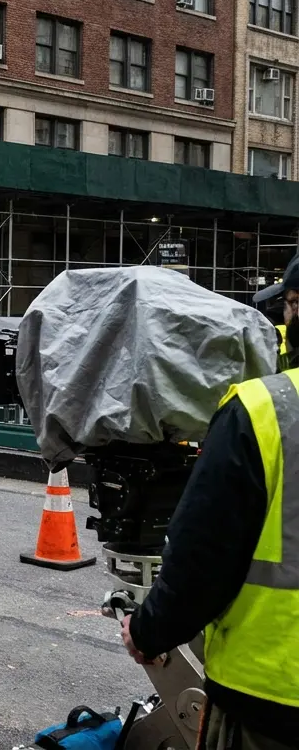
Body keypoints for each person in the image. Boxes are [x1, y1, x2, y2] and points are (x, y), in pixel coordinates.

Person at [120, 254, 299, 749]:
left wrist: (148, 630)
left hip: (271, 699)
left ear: (295, 308)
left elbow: (202, 558)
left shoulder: (264, 410)